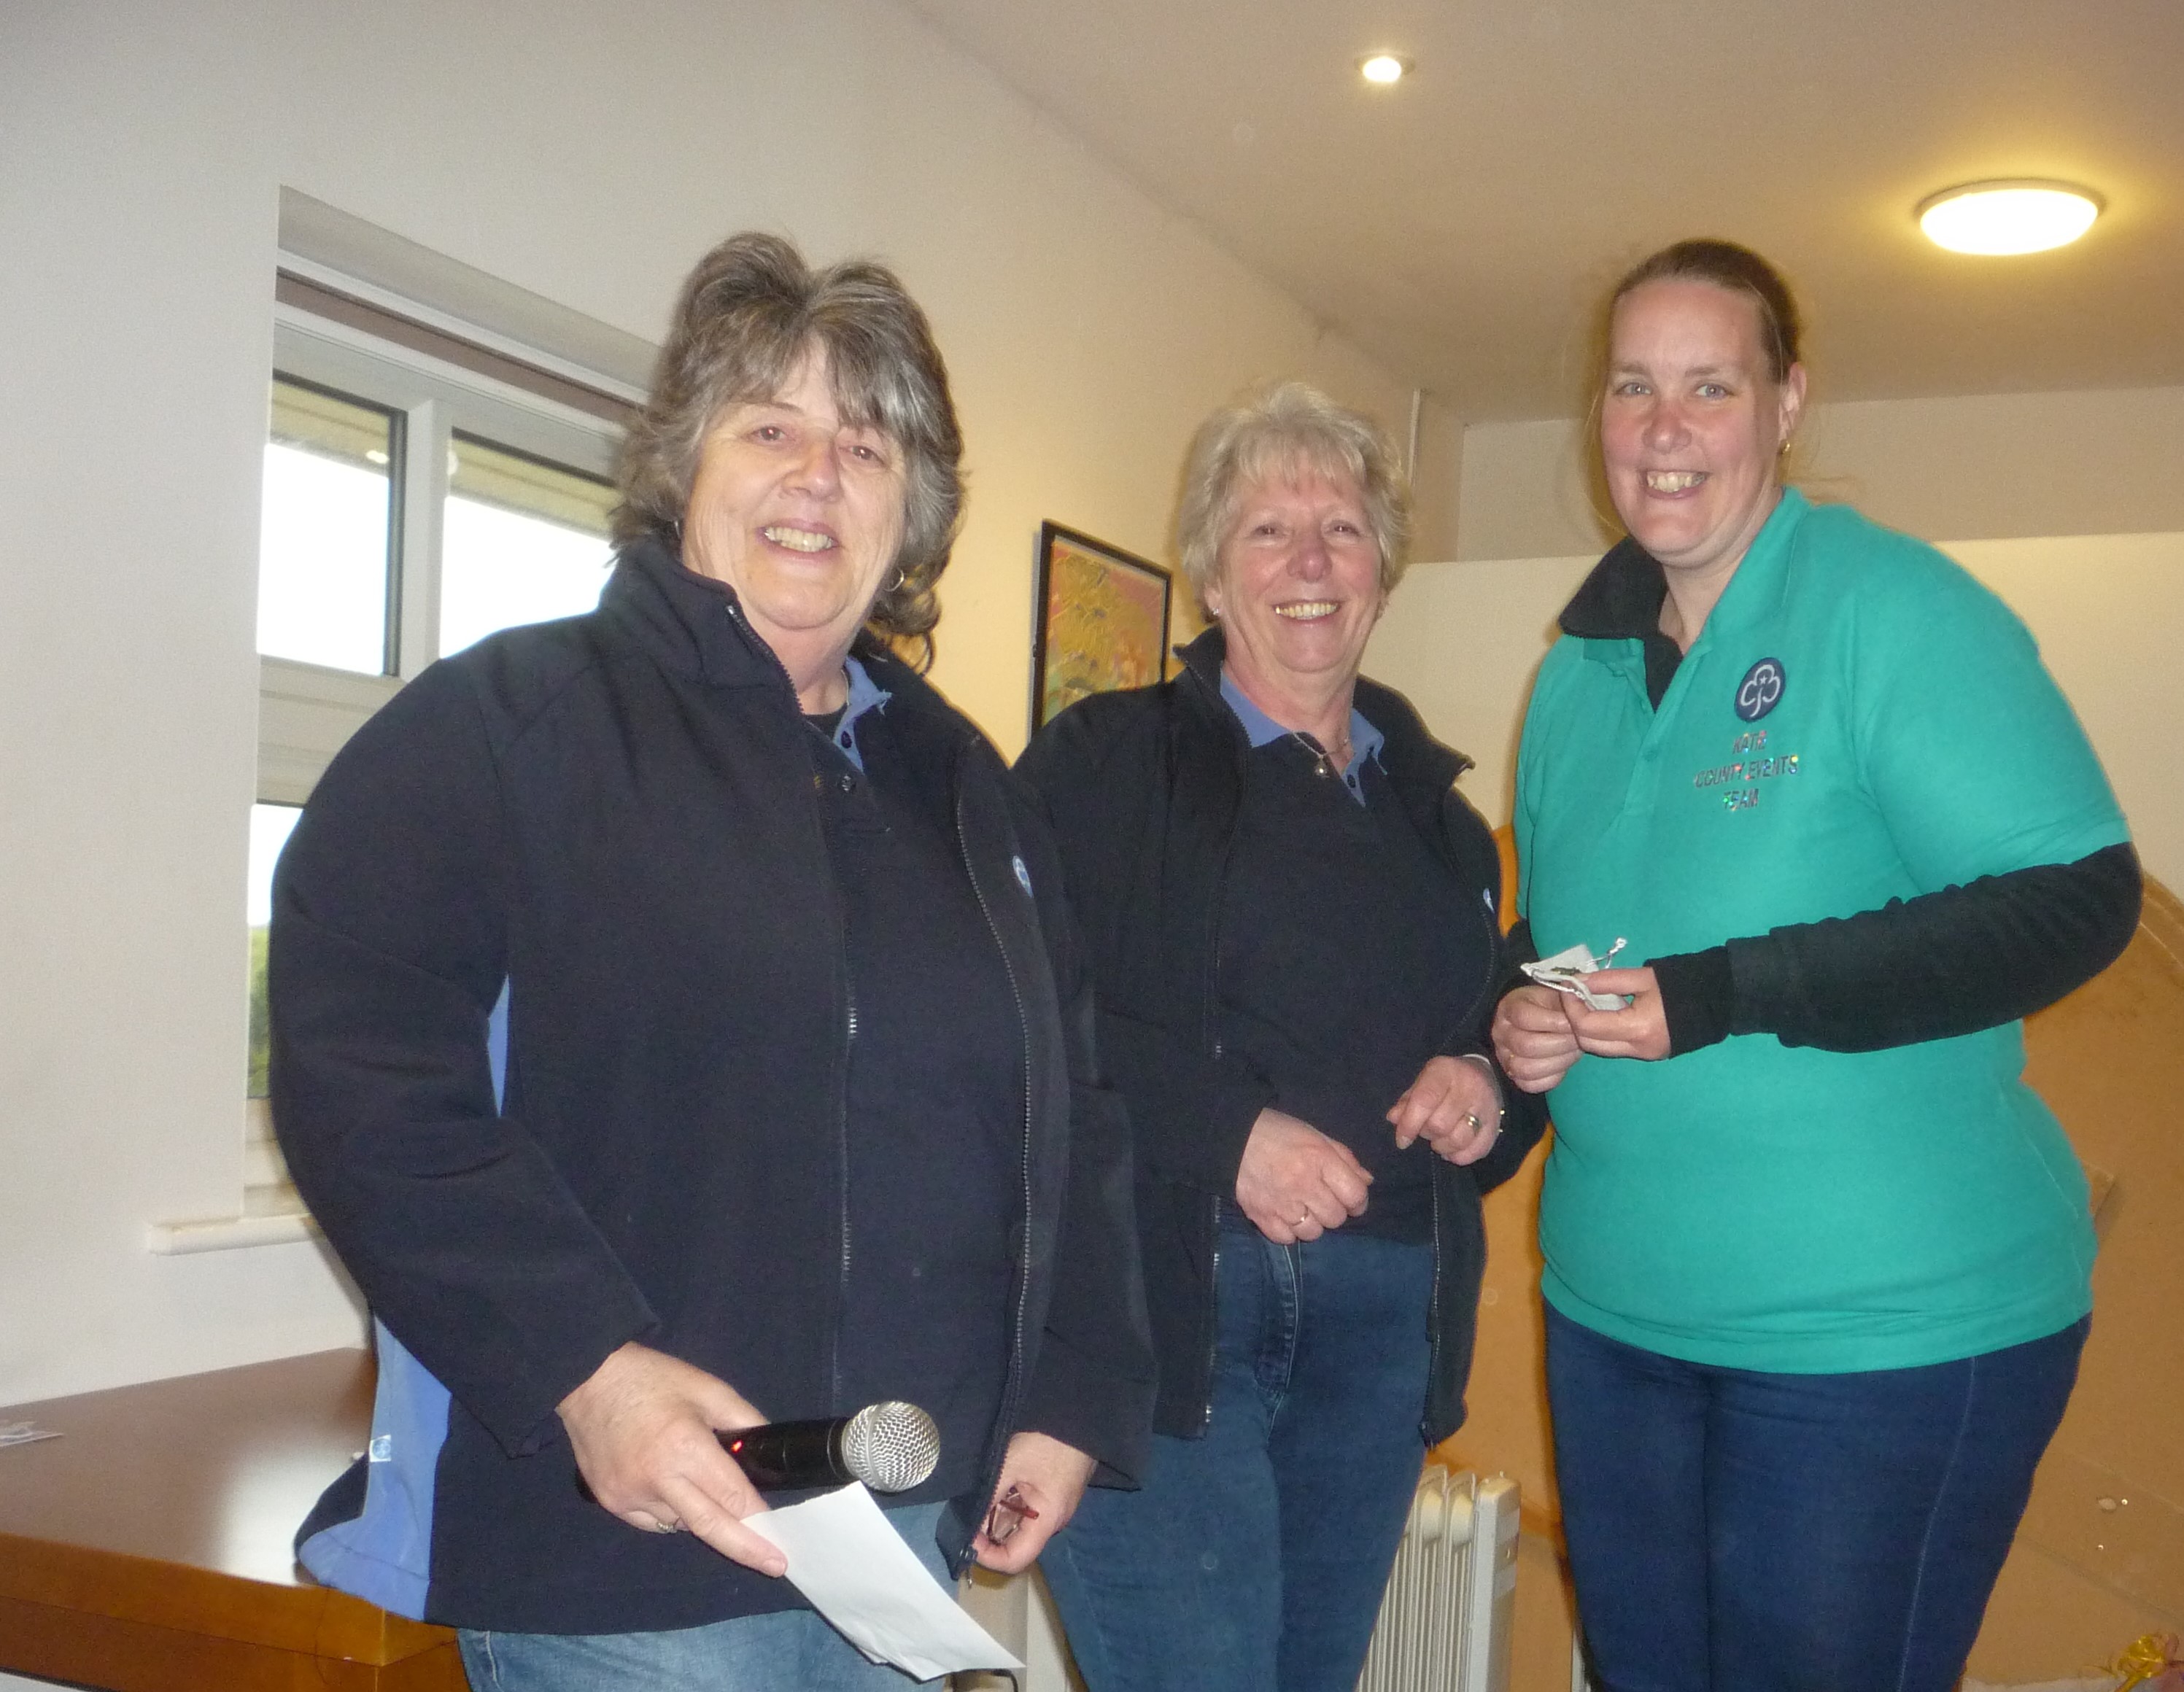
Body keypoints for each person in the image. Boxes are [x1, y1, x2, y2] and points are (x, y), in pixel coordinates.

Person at [269, 231, 1153, 1691]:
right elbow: (361, 1074)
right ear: (685, 462)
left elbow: (1078, 1116)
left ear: (911, 514)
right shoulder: (503, 727)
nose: (817, 478)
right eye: (769, 429)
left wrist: (1069, 1391)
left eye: (864, 448)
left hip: (901, 1534)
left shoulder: (969, 790)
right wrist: (588, 1369)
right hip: (623, 1543)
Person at [1492, 238, 2141, 1692]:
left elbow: (2073, 899)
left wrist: (1725, 990)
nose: (1664, 427)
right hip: (1614, 1321)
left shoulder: (1886, 608)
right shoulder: (1572, 677)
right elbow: (1559, 935)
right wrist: (1518, 1013)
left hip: (1880, 1336)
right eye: (1632, 386)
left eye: (1709, 385)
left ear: (1787, 402)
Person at [1018, 381, 1546, 1692]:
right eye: (1268, 531)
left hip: (1384, 1328)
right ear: (1210, 574)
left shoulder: (1439, 817)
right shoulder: (1103, 761)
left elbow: (1498, 1038)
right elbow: (1012, 1009)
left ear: (1381, 573)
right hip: (1167, 1312)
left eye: (1342, 530)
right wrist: (1224, 1133)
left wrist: (1487, 1084)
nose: (1310, 562)